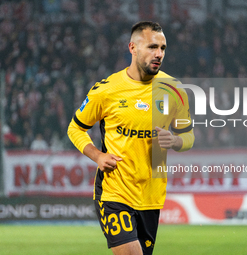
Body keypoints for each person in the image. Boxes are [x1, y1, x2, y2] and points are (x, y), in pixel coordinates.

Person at [68, 21, 194, 255]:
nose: (159, 54)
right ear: (132, 48)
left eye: (163, 48)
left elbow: (188, 137)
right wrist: (97, 155)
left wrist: (175, 141)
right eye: (152, 47)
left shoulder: (174, 90)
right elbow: (75, 128)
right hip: (114, 191)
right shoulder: (106, 90)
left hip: (151, 195)